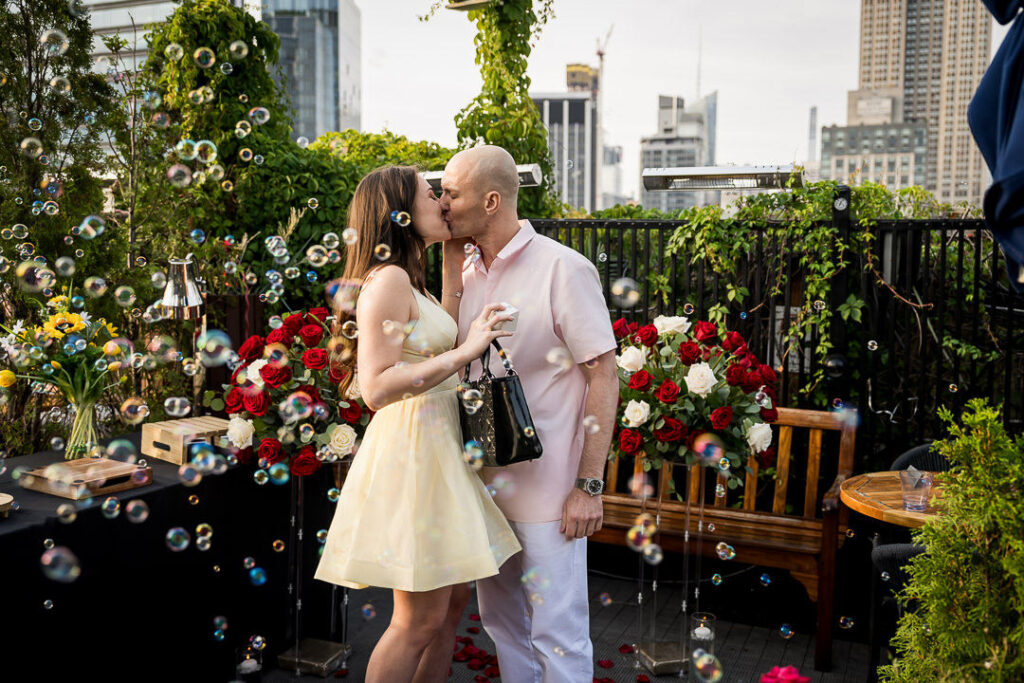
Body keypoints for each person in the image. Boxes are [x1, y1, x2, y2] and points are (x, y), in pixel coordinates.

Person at [314, 165, 522, 683]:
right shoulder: (387, 281)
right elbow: (378, 387)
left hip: (439, 448)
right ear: (400, 213)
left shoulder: (414, 282)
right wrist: (469, 349)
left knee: (450, 607)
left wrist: (453, 264)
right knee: (417, 619)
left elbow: (439, 337)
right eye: (432, 194)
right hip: (413, 453)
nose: (444, 200)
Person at [439, 145, 620, 682]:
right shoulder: (465, 274)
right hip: (484, 490)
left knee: (557, 633)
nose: (442, 202)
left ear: (491, 200)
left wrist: (588, 485)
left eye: (452, 191)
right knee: (501, 623)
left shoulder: (564, 269)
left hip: (550, 494)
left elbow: (604, 376)